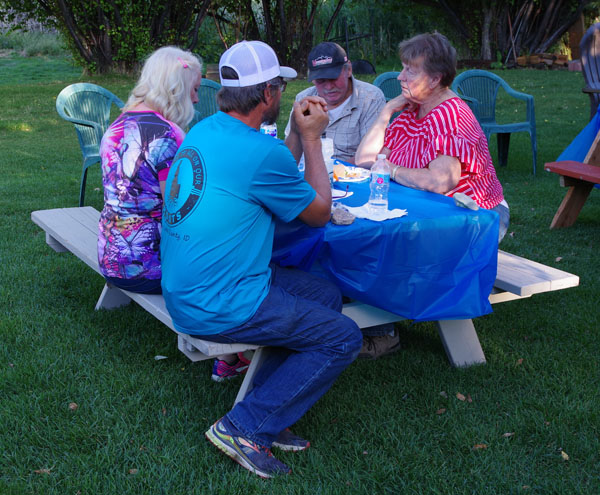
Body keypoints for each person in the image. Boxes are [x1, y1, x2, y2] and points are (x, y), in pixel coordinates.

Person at [160, 40, 362, 479]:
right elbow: (318, 214)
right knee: (343, 337)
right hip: (219, 300)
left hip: (189, 286)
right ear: (268, 93)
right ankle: (242, 426)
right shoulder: (257, 151)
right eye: (281, 88)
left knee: (325, 295)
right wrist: (311, 139)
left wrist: (292, 132)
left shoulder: (206, 131)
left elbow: (276, 178)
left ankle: (271, 414)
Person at [355, 32, 509, 242]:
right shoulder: (411, 109)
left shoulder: (449, 116)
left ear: (435, 79)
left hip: (477, 216)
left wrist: (392, 169)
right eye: (403, 68)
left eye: (410, 71)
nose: (400, 76)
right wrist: (387, 110)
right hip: (431, 211)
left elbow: (439, 182)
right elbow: (364, 160)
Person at [97, 46, 202, 294]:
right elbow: (179, 211)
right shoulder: (169, 135)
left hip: (111, 260)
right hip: (150, 268)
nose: (196, 99)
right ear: (176, 89)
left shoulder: (116, 127)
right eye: (194, 89)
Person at [285, 41, 386, 164]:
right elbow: (290, 152)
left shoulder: (371, 98)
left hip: (352, 176)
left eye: (333, 78)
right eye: (321, 81)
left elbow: (371, 155)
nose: (328, 87)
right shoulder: (304, 98)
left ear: (348, 70)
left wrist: (333, 171)